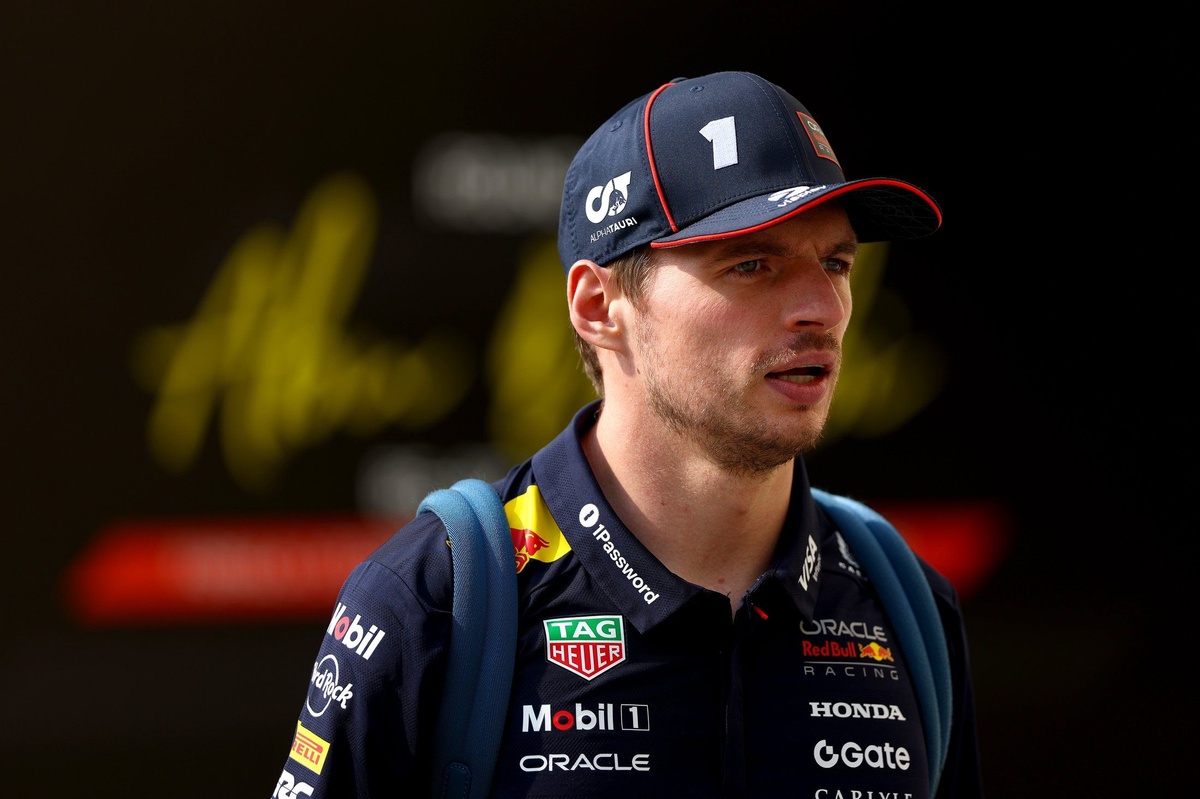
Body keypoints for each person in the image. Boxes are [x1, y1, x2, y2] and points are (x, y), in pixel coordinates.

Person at [273, 70, 984, 799]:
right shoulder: (437, 598)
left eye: (835, 262)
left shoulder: (905, 601)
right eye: (751, 264)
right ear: (598, 305)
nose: (822, 307)